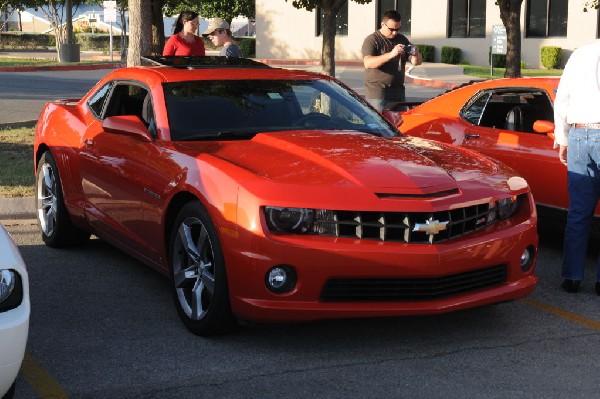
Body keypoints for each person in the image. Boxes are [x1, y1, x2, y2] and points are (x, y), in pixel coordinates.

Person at [553, 40, 600, 294]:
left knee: (579, 212)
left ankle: (571, 277)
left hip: (580, 134)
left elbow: (562, 98)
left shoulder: (580, 54)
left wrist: (562, 138)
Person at [361, 10, 422, 112]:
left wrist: (415, 54)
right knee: (380, 126)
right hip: (378, 94)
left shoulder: (401, 39)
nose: (395, 32)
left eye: (398, 29)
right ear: (382, 24)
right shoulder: (372, 40)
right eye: (391, 29)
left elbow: (416, 62)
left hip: (398, 93)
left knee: (400, 125)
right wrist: (391, 54)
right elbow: (368, 63)